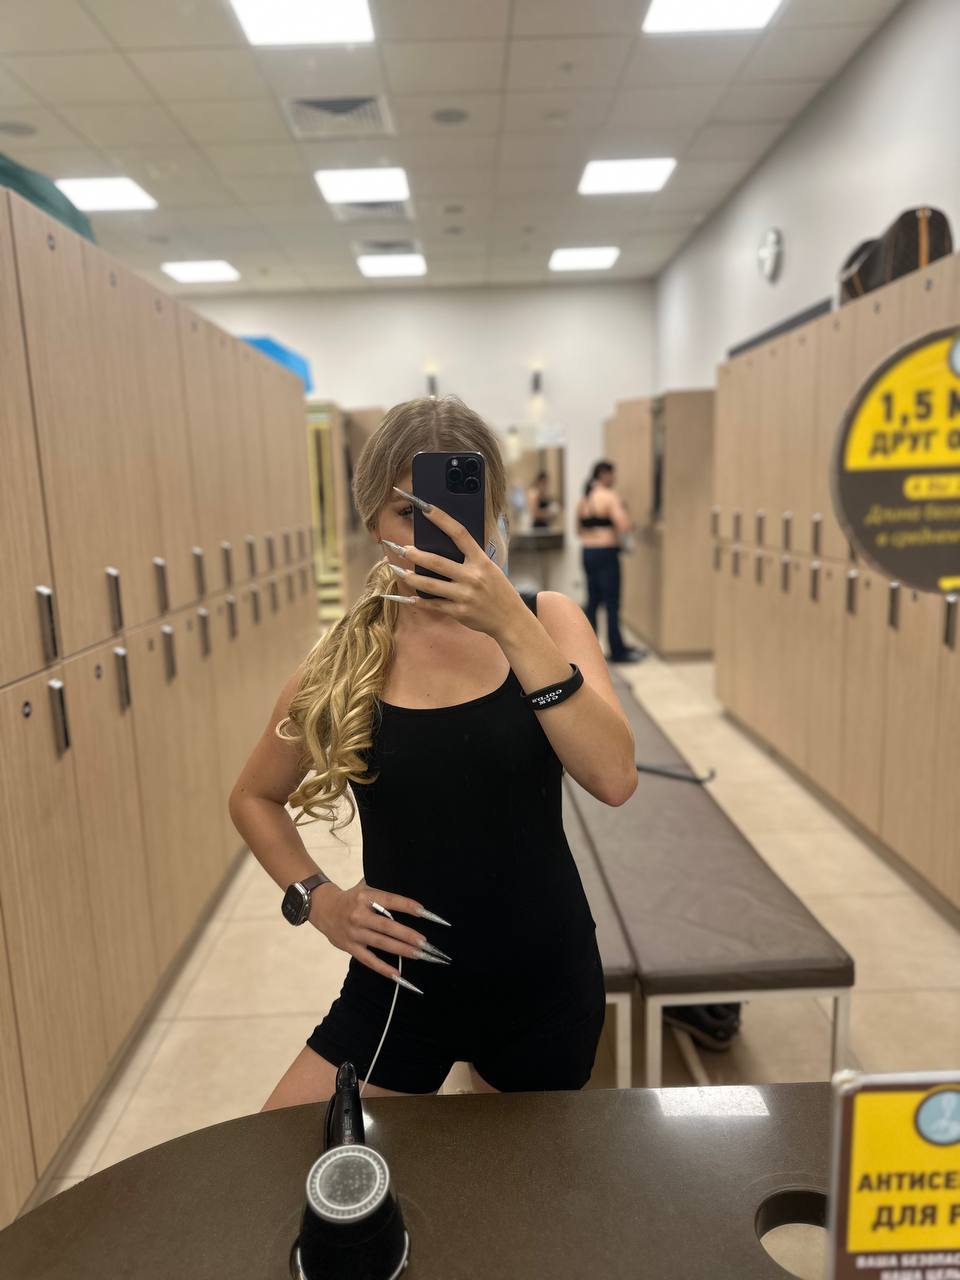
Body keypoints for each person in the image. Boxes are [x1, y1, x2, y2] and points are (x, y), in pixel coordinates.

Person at [229, 396, 638, 1107]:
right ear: (372, 522)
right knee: (288, 1149)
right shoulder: (344, 663)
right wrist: (319, 902)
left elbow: (614, 777)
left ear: (494, 509)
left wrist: (510, 625)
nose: (438, 531)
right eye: (407, 511)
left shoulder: (547, 622)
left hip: (543, 980)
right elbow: (253, 798)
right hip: (399, 986)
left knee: (514, 1176)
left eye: (459, 509)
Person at [576, 460, 645, 663]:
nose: (615, 478)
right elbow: (624, 525)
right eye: (612, 474)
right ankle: (617, 651)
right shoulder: (609, 496)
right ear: (604, 474)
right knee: (612, 603)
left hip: (588, 552)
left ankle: (589, 651)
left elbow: (578, 530)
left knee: (593, 601)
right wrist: (629, 521)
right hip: (606, 553)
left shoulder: (584, 499)